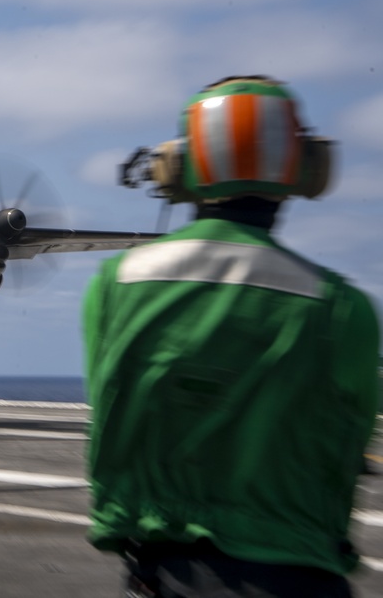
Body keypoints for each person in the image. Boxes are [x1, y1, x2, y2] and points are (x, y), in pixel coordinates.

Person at [84, 76, 380, 597]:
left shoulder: (117, 286)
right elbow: (352, 441)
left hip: (164, 573)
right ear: (307, 169)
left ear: (174, 168)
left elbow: (110, 422)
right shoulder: (344, 310)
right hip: (300, 575)